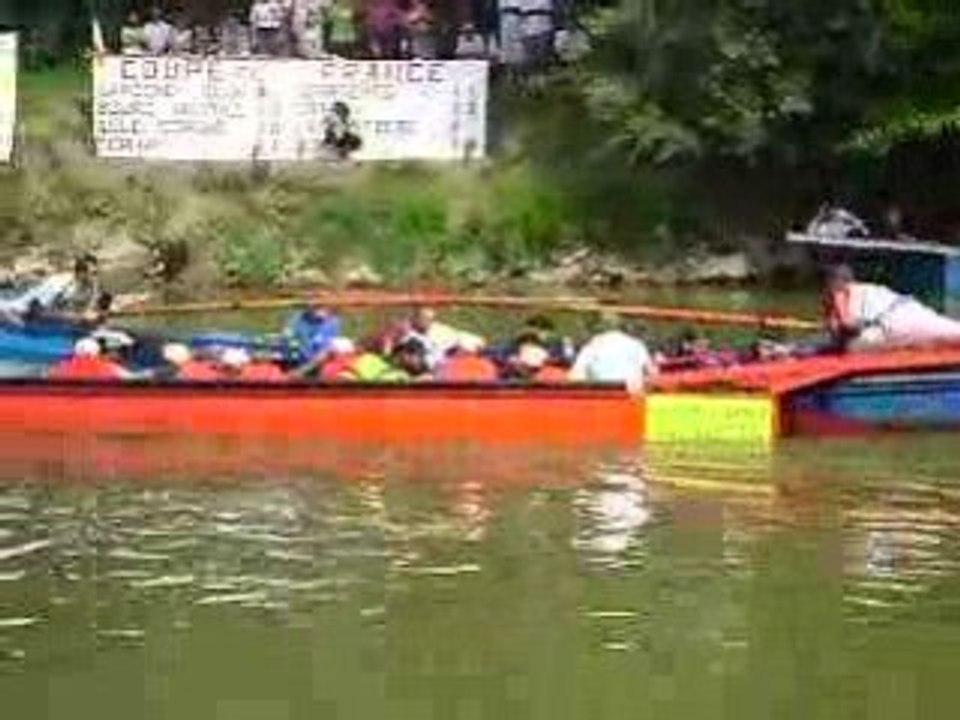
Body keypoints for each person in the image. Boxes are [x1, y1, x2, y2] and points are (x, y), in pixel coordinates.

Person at [822, 264, 960, 351]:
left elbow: (847, 323)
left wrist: (834, 325)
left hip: (892, 324)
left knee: (851, 347)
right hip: (908, 309)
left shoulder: (841, 292)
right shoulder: (870, 288)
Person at [0, 254, 104, 322]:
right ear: (82, 273)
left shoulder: (83, 285)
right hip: (14, 310)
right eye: (94, 273)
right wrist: (78, 316)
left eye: (97, 273)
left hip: (29, 312)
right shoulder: (59, 284)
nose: (96, 277)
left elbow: (86, 305)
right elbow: (36, 310)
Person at [569, 313, 657, 392]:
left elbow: (575, 376)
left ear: (601, 326)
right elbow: (652, 374)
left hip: (603, 399)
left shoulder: (593, 345)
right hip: (634, 401)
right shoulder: (637, 345)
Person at [48, 338, 130, 380]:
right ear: (97, 352)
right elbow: (133, 378)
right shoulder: (111, 367)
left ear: (75, 352)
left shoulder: (62, 366)